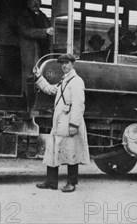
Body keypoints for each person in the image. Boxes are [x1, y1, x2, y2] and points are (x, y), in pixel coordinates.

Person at [34, 53, 90, 192]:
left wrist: (74, 125)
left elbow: (79, 104)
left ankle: (72, 183)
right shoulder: (64, 81)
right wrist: (39, 78)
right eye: (62, 63)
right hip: (59, 122)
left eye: (67, 63)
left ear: (73, 64)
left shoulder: (77, 81)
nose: (64, 65)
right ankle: (51, 182)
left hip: (69, 122)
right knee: (53, 149)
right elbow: (51, 90)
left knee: (72, 152)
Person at [17, 0, 54, 92]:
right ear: (28, 2)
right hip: (30, 50)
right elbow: (25, 31)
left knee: (43, 72)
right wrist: (44, 31)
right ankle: (28, 97)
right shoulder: (23, 16)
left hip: (43, 50)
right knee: (31, 74)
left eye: (37, 1)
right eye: (33, 1)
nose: (35, 3)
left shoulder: (43, 16)